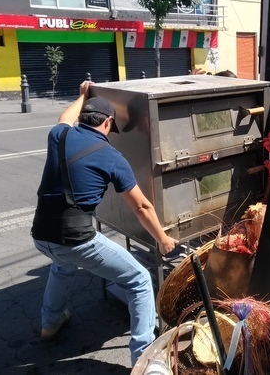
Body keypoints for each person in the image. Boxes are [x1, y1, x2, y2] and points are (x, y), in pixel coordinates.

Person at [31, 80, 178, 367]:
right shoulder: (111, 156)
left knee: (62, 264)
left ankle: (50, 324)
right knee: (138, 279)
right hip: (76, 239)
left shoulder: (58, 136)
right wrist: (163, 239)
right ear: (108, 122)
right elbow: (142, 205)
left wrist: (82, 95)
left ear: (84, 118)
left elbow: (65, 118)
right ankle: (144, 361)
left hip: (41, 235)